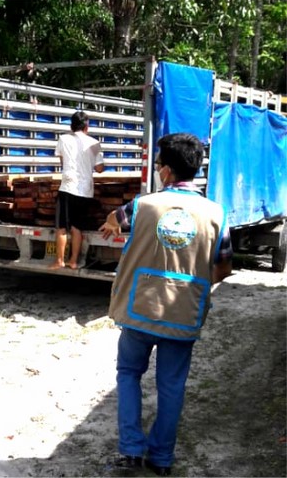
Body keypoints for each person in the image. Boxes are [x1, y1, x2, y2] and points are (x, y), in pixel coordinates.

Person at [99, 133, 233, 476]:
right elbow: (223, 267)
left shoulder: (144, 205)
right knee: (171, 386)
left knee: (128, 374)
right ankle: (161, 459)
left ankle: (130, 451)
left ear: (168, 171)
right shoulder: (216, 213)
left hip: (140, 308)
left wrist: (112, 227)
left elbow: (116, 220)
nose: (158, 170)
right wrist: (188, 280)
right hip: (184, 314)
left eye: (159, 165)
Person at [49, 110, 104, 270]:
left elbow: (62, 161)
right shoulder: (94, 143)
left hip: (67, 186)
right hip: (85, 190)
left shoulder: (63, 139)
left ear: (72, 125)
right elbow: (100, 168)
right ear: (87, 126)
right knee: (77, 227)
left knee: (62, 227)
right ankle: (73, 261)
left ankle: (59, 261)